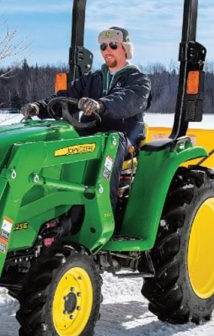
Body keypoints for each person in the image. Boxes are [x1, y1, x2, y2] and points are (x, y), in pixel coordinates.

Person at [20, 26, 151, 211]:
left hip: (124, 135)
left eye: (113, 45)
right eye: (103, 46)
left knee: (111, 143)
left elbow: (128, 99)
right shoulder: (92, 79)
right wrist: (39, 107)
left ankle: (106, 212)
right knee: (61, 140)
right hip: (92, 133)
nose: (107, 50)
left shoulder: (138, 79)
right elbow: (66, 96)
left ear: (125, 49)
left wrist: (101, 105)